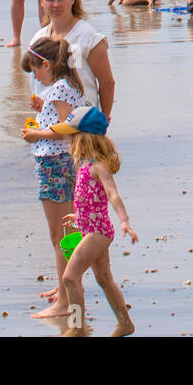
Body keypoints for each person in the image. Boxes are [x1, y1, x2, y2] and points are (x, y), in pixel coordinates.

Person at [19, 34, 83, 319]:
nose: (36, 77)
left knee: (60, 233)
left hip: (54, 163)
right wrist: (43, 109)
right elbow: (63, 120)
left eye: (35, 70)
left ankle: (66, 299)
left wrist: (35, 134)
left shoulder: (59, 87)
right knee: (67, 231)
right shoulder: (67, 85)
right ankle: (67, 288)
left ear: (46, 64)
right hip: (62, 162)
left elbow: (66, 128)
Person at [58, 112, 137, 337]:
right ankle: (125, 323)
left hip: (98, 232)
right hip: (91, 228)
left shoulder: (98, 166)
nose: (69, 142)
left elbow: (113, 195)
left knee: (69, 278)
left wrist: (124, 221)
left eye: (72, 137)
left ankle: (77, 327)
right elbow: (92, 199)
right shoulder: (85, 165)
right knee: (103, 278)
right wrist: (79, 217)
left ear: (84, 139)